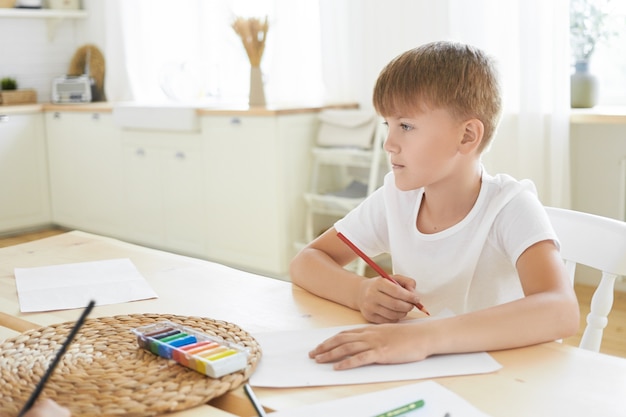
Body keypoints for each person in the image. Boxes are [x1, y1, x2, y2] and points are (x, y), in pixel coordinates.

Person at [289, 41, 580, 370]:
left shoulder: (510, 207)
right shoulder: (396, 199)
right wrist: (360, 292)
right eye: (389, 125)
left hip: (503, 376)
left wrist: (424, 337)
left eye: (407, 126)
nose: (389, 143)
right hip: (423, 368)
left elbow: (561, 310)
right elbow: (306, 262)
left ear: (467, 136)